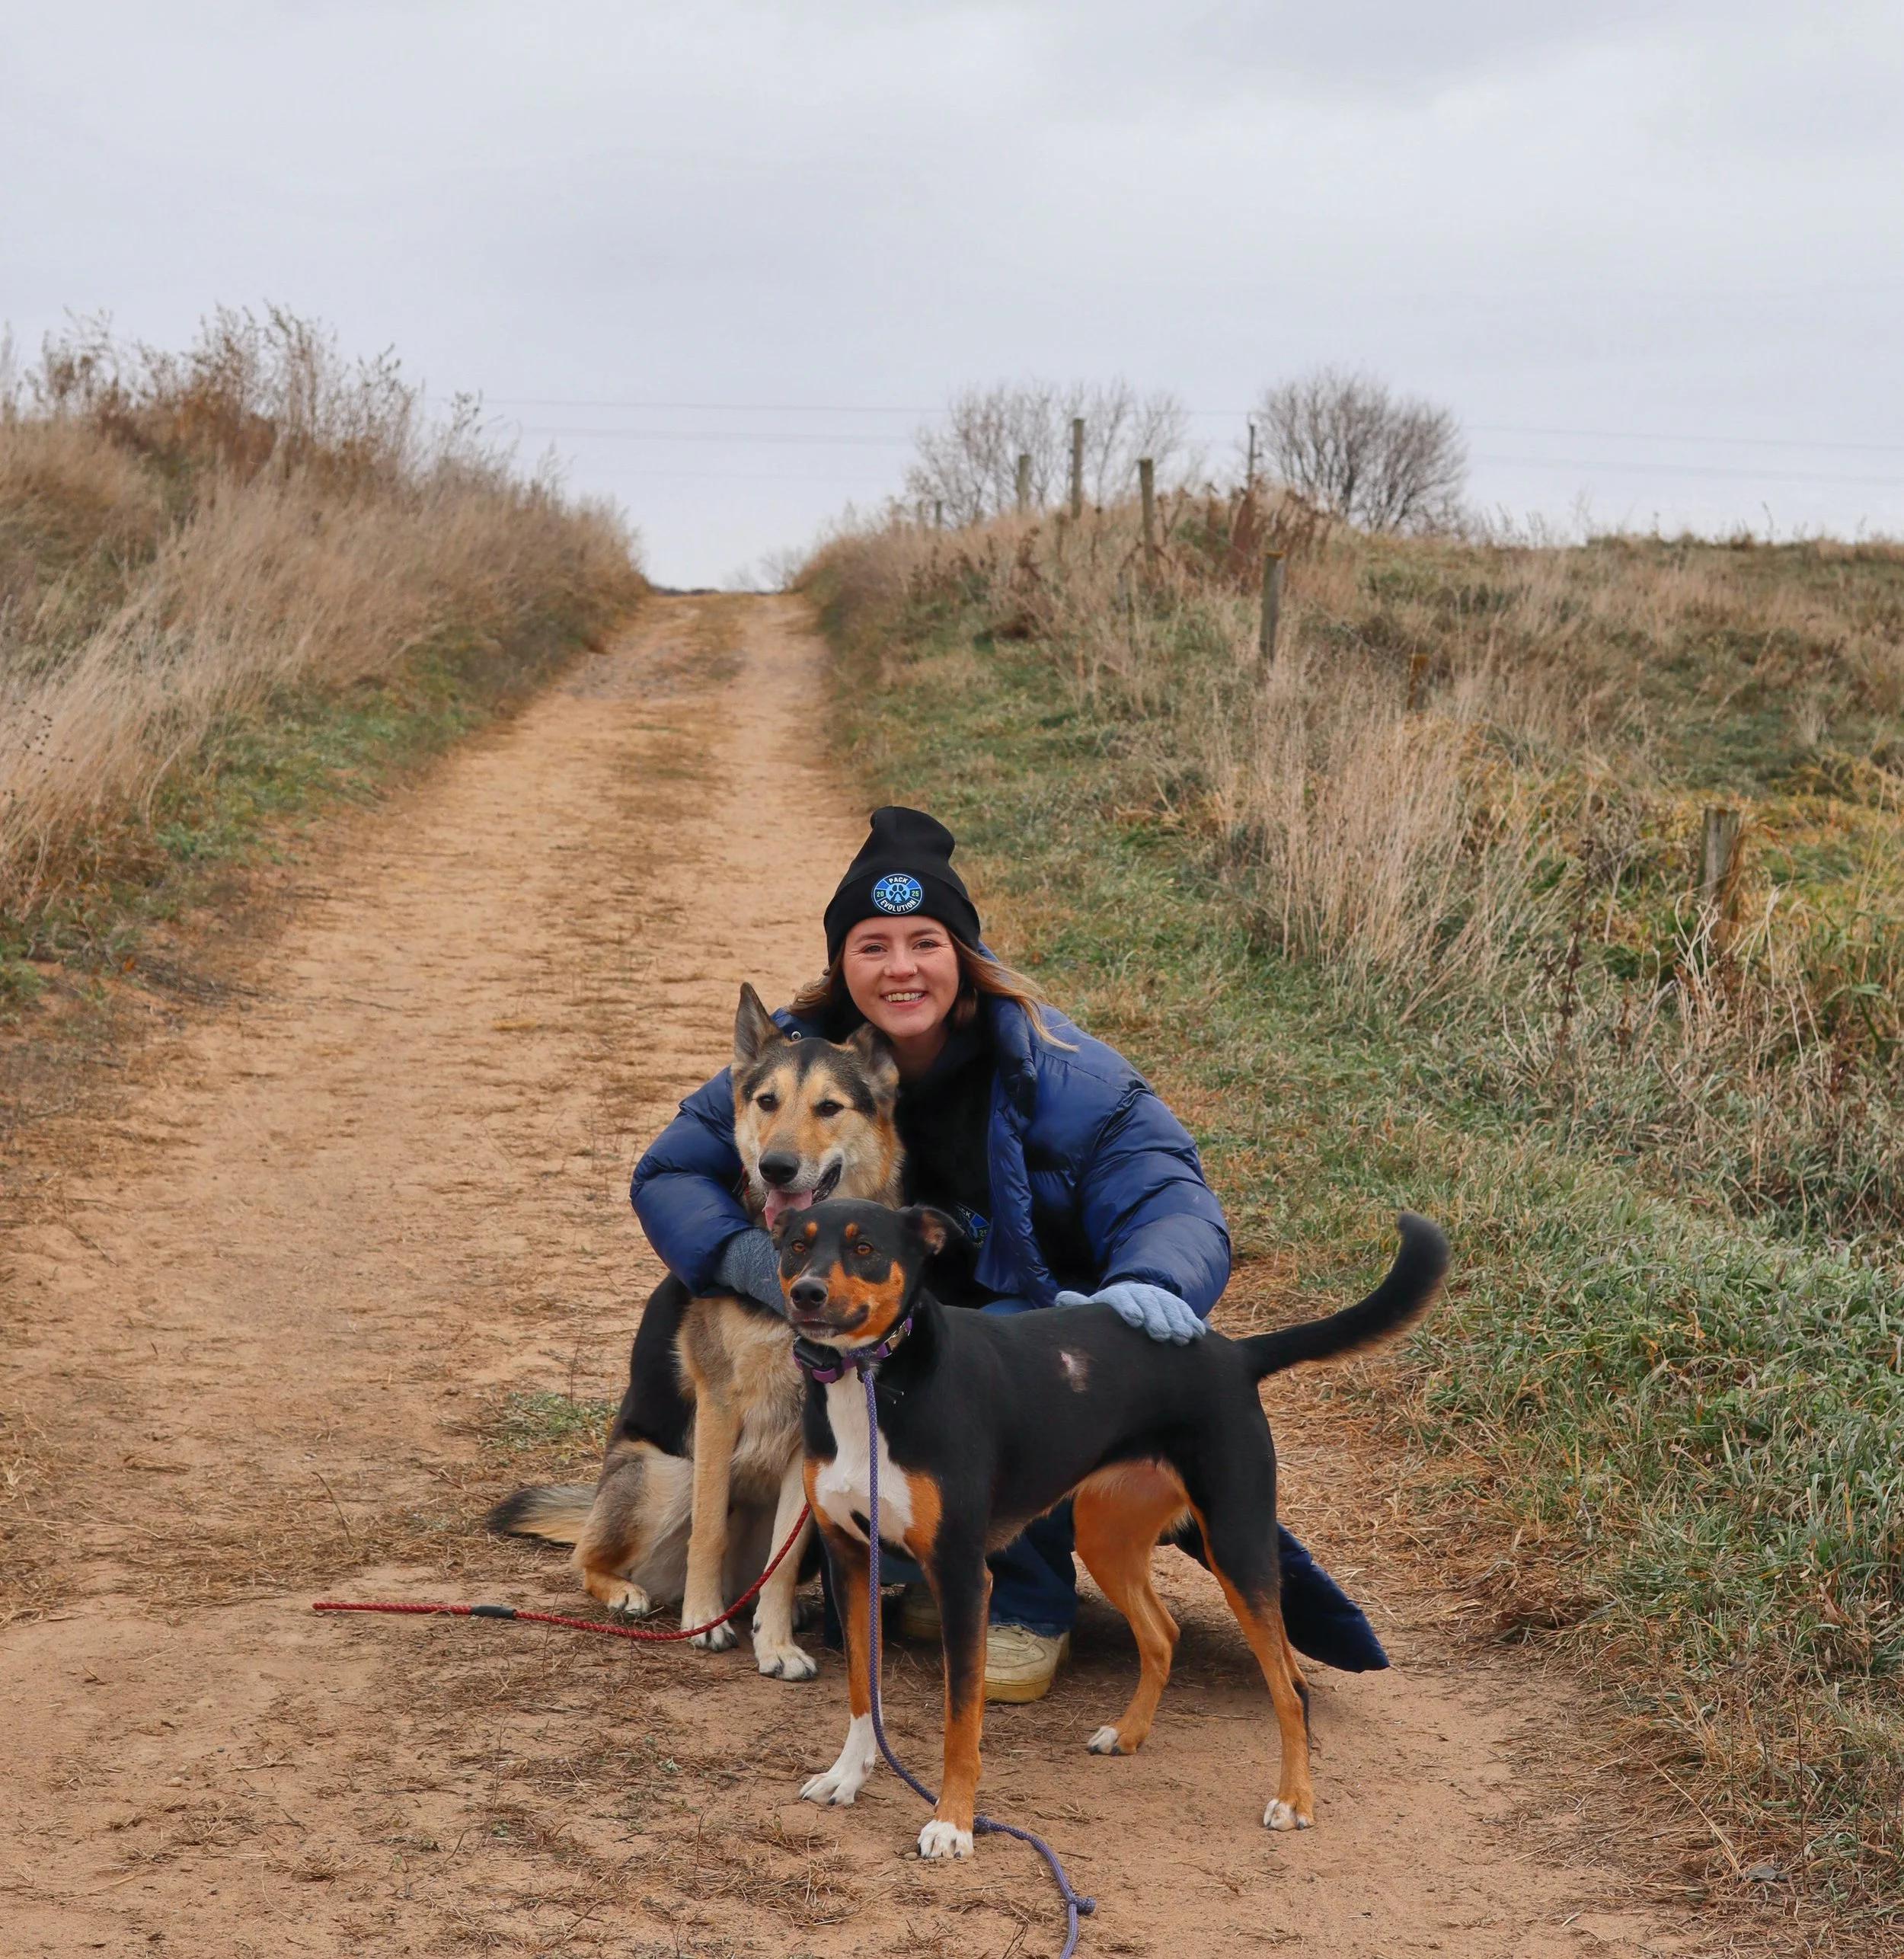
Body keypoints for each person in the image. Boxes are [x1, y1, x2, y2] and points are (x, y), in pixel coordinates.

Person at [631, 806, 1388, 1703]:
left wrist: (1149, 1283)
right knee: (706, 1293)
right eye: (872, 945)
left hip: (1032, 1333)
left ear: (964, 954)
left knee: (993, 1341)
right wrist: (749, 1262)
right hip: (879, 1329)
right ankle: (894, 1563)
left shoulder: (1059, 1068)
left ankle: (1025, 1606)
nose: (900, 967)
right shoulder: (803, 1059)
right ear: (844, 963)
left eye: (925, 941)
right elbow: (673, 1169)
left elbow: (1162, 1187)